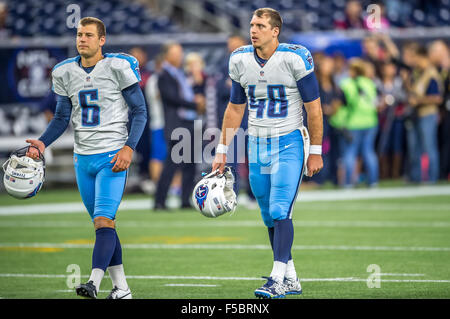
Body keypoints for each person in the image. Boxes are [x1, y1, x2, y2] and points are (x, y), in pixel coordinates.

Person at [25, 17, 147, 299]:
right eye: (79, 34)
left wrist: (129, 147)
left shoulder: (117, 67)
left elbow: (140, 111)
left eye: (88, 35)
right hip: (83, 158)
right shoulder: (65, 71)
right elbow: (61, 117)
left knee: (103, 221)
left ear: (102, 40)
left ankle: (93, 282)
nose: (82, 39)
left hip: (112, 155)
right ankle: (122, 290)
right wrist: (42, 143)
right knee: (104, 224)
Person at [212, 8, 323, 299]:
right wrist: (222, 149)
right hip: (256, 144)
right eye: (252, 24)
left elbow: (314, 107)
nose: (254, 29)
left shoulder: (294, 57)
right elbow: (236, 108)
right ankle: (291, 277)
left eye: (260, 25)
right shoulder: (239, 59)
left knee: (279, 209)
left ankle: (276, 279)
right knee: (268, 216)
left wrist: (316, 151)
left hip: (288, 142)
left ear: (275, 31)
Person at [154, 42, 204, 210]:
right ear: (167, 55)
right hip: (177, 124)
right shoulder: (164, 75)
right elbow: (172, 98)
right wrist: (194, 103)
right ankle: (159, 201)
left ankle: (185, 200)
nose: (179, 56)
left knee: (190, 164)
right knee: (172, 164)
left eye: (180, 52)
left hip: (189, 122)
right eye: (176, 53)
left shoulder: (179, 73)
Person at [405, 45, 443, 183]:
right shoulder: (417, 73)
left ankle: (432, 178)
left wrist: (418, 100)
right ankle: (416, 178)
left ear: (422, 57)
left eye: (415, 57)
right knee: (415, 148)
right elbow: (414, 92)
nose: (413, 61)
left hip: (428, 114)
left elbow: (437, 98)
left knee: (429, 147)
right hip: (416, 114)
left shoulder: (431, 73)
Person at [340, 58, 379, 187]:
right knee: (369, 152)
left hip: (353, 122)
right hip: (371, 121)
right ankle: (373, 181)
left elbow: (344, 104)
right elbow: (375, 102)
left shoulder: (346, 84)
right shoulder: (369, 83)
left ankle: (348, 183)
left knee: (350, 152)